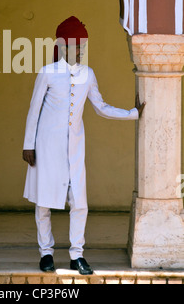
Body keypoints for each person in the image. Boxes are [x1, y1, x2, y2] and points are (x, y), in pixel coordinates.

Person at [22, 16, 145, 275]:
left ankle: (77, 255)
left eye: (82, 45)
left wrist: (133, 113)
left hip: (75, 149)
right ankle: (46, 253)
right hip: (45, 147)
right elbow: (33, 111)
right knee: (44, 203)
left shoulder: (87, 74)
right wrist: (28, 145)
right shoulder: (47, 72)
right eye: (77, 44)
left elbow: (100, 107)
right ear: (64, 45)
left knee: (79, 202)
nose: (81, 49)